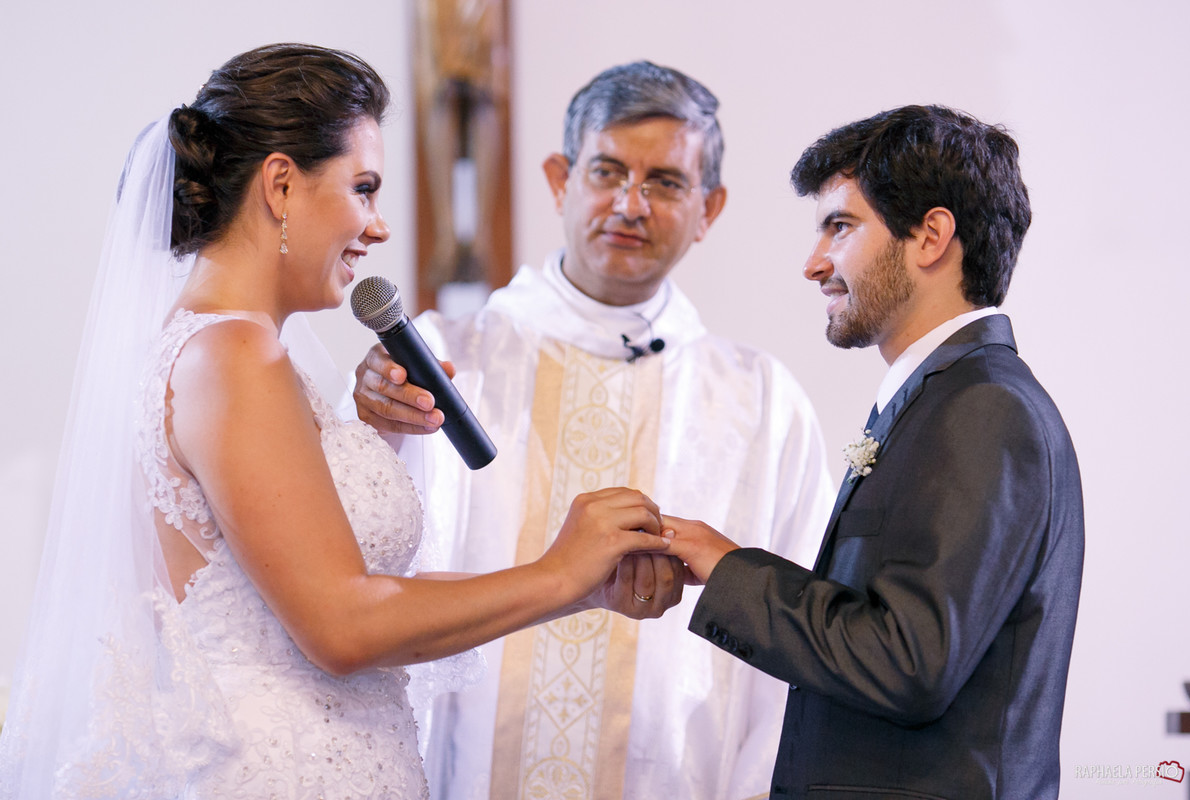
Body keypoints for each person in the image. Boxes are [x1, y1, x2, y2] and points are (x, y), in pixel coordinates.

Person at [0, 44, 680, 800]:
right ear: (281, 185)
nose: (379, 227)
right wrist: (555, 573)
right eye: (363, 189)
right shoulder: (233, 354)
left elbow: (328, 586)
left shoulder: (239, 351)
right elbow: (343, 626)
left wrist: (587, 587)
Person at [354, 61, 834, 800]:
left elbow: (795, 639)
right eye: (607, 171)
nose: (630, 204)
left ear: (709, 208)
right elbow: (366, 558)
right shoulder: (449, 360)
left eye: (665, 182)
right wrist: (377, 424)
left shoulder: (761, 401)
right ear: (559, 180)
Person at [664, 105, 1085, 799]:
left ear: (930, 237)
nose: (813, 263)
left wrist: (729, 570)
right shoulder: (942, 398)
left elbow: (909, 661)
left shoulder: (984, 409)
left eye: (841, 226)